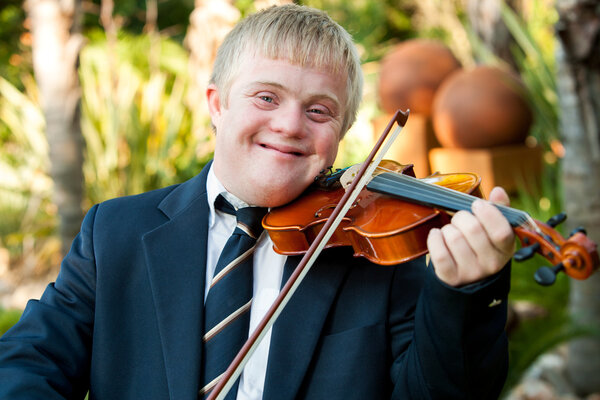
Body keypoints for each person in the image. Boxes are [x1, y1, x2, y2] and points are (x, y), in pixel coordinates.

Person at [0, 4, 515, 399]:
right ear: (217, 104)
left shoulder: (380, 259)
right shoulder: (114, 233)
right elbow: (29, 361)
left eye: (319, 110)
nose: (289, 126)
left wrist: (466, 291)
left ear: (342, 134)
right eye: (266, 97)